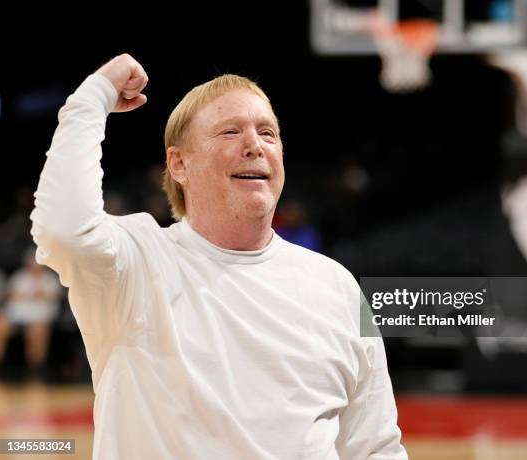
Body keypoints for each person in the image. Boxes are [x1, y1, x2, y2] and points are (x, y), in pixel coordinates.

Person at [30, 54, 407, 459]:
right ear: (179, 164)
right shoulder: (137, 263)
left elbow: (376, 446)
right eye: (230, 131)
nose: (254, 146)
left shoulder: (339, 286)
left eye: (268, 133)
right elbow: (62, 227)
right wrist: (94, 96)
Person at [0, 248, 62, 379]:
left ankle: (34, 369)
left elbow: (53, 297)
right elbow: (10, 295)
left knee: (36, 331)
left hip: (40, 316)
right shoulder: (20, 276)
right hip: (17, 314)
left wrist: (29, 296)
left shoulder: (50, 279)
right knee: (1, 325)